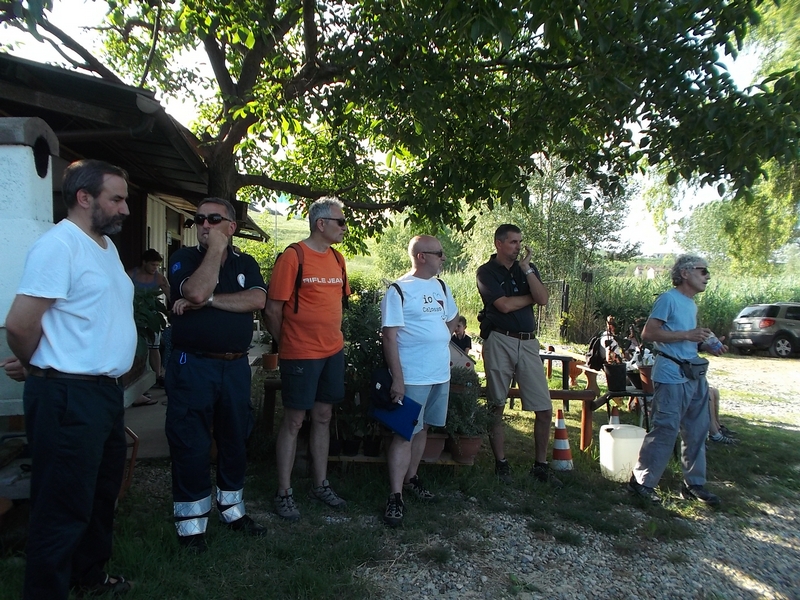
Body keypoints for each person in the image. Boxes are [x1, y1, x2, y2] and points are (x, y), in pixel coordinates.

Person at [4, 159, 137, 599]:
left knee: (99, 497)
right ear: (84, 198)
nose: (125, 210)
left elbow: (83, 319)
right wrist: (41, 365)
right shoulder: (58, 246)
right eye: (116, 199)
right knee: (62, 506)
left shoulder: (103, 246)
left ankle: (88, 579)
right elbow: (21, 325)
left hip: (101, 395)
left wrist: (46, 358)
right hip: (68, 396)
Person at [166, 196, 268, 552]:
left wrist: (208, 302)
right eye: (199, 220)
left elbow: (257, 300)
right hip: (193, 365)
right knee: (191, 441)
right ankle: (191, 525)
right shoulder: (184, 259)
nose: (205, 225)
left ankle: (232, 509)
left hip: (235, 365)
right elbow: (194, 288)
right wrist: (214, 254)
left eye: (214, 219)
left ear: (231, 226)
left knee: (234, 437)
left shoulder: (247, 262)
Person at [264, 197, 350, 521]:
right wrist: (286, 342)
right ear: (321, 224)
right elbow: (272, 310)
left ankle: (320, 484)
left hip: (332, 351)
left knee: (324, 416)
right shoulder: (293, 257)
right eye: (340, 222)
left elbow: (337, 305)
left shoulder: (339, 260)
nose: (344, 227)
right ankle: (283, 491)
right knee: (294, 420)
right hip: (300, 353)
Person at [628, 254, 726, 506]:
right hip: (671, 375)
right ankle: (642, 483)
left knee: (697, 431)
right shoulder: (668, 299)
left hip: (694, 374)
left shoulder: (691, 304)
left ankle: (694, 484)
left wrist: (705, 343)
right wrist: (688, 334)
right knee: (666, 429)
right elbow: (648, 333)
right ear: (684, 273)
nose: (707, 276)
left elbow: (683, 339)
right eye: (702, 271)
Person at [380, 235, 459, 527]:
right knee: (404, 433)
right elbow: (389, 337)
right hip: (412, 376)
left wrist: (440, 336)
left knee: (423, 427)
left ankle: (411, 479)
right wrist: (398, 379)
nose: (443, 258)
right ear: (422, 256)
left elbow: (452, 317)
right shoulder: (399, 290)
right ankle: (395, 495)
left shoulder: (440, 286)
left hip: (439, 373)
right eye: (439, 253)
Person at [476, 224, 559, 486]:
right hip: (500, 340)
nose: (518, 247)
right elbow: (504, 305)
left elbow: (543, 298)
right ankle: (501, 463)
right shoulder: (486, 272)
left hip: (529, 343)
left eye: (520, 242)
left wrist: (527, 271)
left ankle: (541, 465)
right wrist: (530, 298)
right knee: (497, 404)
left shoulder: (527, 269)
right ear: (499, 244)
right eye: (513, 242)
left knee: (544, 408)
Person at [127, 248, 170, 396]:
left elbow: (170, 295)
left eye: (157, 265)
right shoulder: (130, 274)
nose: (155, 268)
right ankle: (133, 377)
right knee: (135, 348)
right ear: (144, 262)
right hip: (133, 316)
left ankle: (158, 375)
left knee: (154, 347)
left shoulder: (159, 278)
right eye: (152, 265)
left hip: (151, 317)